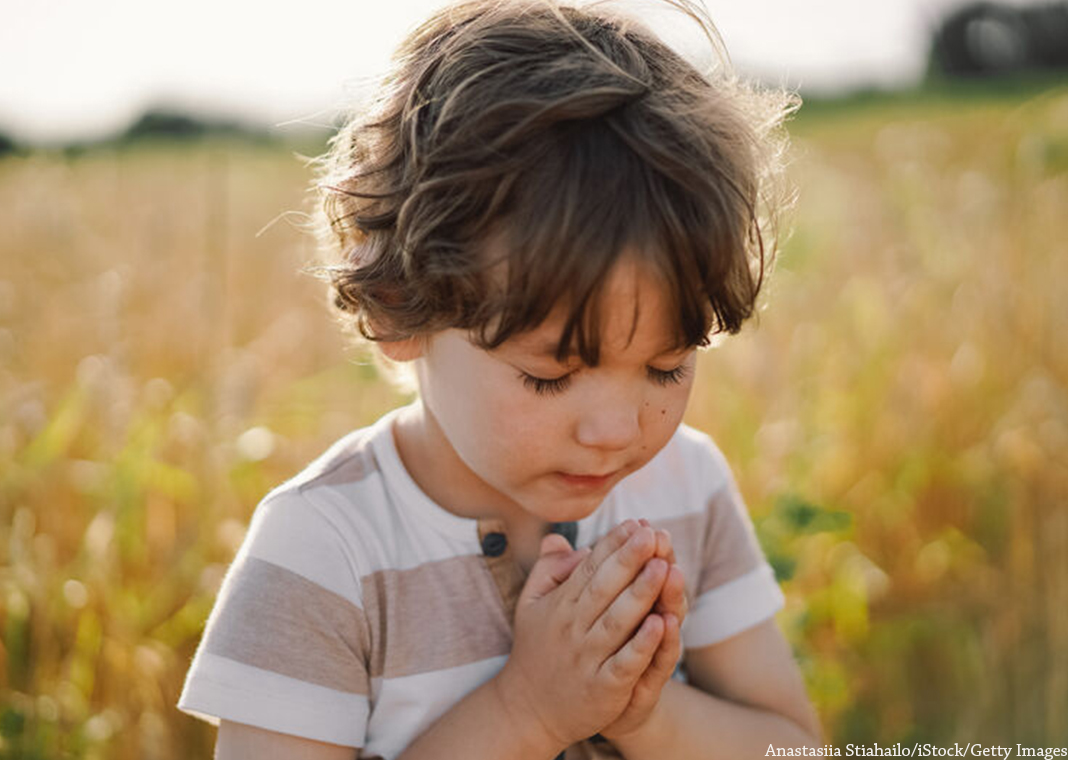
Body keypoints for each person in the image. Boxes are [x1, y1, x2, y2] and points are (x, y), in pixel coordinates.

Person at [178, 0, 822, 757]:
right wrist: (529, 712)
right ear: (398, 311)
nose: (617, 431)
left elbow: (792, 744)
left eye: (666, 366)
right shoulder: (324, 552)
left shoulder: (688, 489)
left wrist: (644, 716)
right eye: (550, 375)